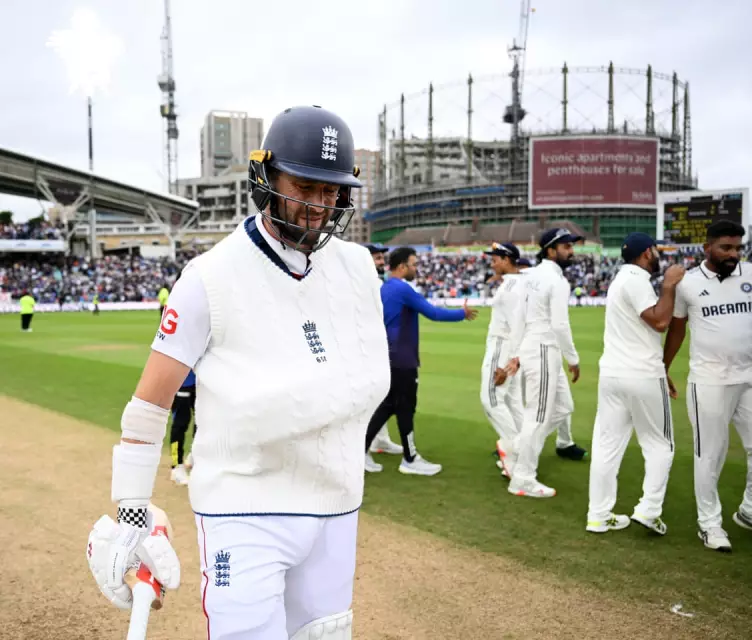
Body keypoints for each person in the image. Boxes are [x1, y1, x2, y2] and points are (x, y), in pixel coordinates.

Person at [86, 104, 392, 639]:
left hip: (337, 503)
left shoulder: (357, 267)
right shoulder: (208, 277)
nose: (318, 206)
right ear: (266, 177)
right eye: (304, 187)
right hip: (243, 510)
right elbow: (149, 404)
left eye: (331, 191)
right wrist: (133, 515)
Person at [663, 220, 752, 552]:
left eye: (738, 248)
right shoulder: (688, 283)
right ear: (707, 248)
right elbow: (677, 328)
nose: (734, 254)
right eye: (726, 248)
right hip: (708, 379)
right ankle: (709, 524)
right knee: (710, 454)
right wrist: (663, 367)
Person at [586, 233, 684, 535]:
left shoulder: (621, 279)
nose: (658, 256)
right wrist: (669, 285)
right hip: (642, 373)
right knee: (660, 445)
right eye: (655, 250)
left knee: (606, 446)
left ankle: (598, 515)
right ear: (646, 253)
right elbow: (660, 321)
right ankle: (649, 510)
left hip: (613, 374)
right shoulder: (637, 279)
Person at [364, 246, 477, 476]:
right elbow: (433, 313)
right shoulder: (402, 288)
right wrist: (461, 314)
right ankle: (410, 459)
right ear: (402, 266)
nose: (416, 269)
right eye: (414, 265)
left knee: (389, 407)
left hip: (390, 355)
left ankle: (360, 453)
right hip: (403, 358)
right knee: (404, 407)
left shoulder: (386, 288)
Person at [497, 228, 587, 499]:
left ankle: (514, 447)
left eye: (571, 246)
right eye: (566, 247)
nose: (571, 251)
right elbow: (559, 324)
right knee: (537, 416)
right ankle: (523, 478)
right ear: (550, 250)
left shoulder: (531, 276)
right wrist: (573, 359)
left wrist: (516, 353)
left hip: (536, 348)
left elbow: (519, 318)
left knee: (564, 407)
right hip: (545, 349)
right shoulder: (556, 281)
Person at [480, 243, 526, 455]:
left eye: (495, 259)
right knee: (512, 402)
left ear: (507, 260)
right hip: (509, 347)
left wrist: (512, 359)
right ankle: (526, 450)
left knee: (490, 399)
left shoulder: (510, 288)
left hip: (503, 346)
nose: (492, 264)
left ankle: (515, 450)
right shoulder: (519, 282)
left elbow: (516, 326)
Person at [364, 243, 404, 457]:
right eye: (377, 258)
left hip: (379, 346)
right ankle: (363, 449)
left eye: (382, 258)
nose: (382, 262)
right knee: (369, 398)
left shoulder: (379, 282)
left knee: (381, 394)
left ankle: (380, 440)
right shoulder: (360, 282)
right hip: (365, 348)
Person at [169, 368, 197, 486]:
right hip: (181, 379)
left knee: (203, 419)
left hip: (202, 379)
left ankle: (195, 454)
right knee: (180, 423)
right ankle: (176, 466)